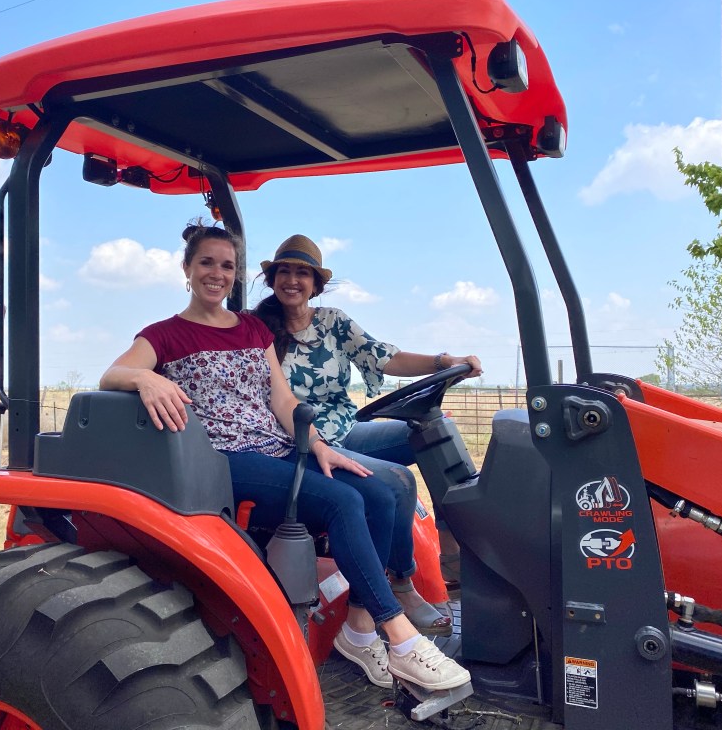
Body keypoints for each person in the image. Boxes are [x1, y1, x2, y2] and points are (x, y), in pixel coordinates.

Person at [100, 221, 470, 692]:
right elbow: (113, 373)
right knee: (343, 502)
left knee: (378, 492)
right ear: (187, 269)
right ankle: (402, 639)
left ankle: (359, 632)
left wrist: (318, 446)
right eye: (206, 263)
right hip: (225, 458)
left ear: (235, 274)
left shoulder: (253, 329)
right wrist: (145, 378)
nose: (217, 273)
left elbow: (282, 399)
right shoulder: (165, 335)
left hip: (279, 446)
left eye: (226, 265)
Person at [253, 235, 482, 599]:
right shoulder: (255, 329)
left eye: (302, 273)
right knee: (398, 481)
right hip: (301, 440)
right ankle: (401, 582)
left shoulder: (333, 322)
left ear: (316, 285)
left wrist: (443, 362)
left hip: (346, 430)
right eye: (284, 271)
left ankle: (455, 546)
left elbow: (386, 358)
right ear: (272, 279)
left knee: (436, 431)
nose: (292, 280)